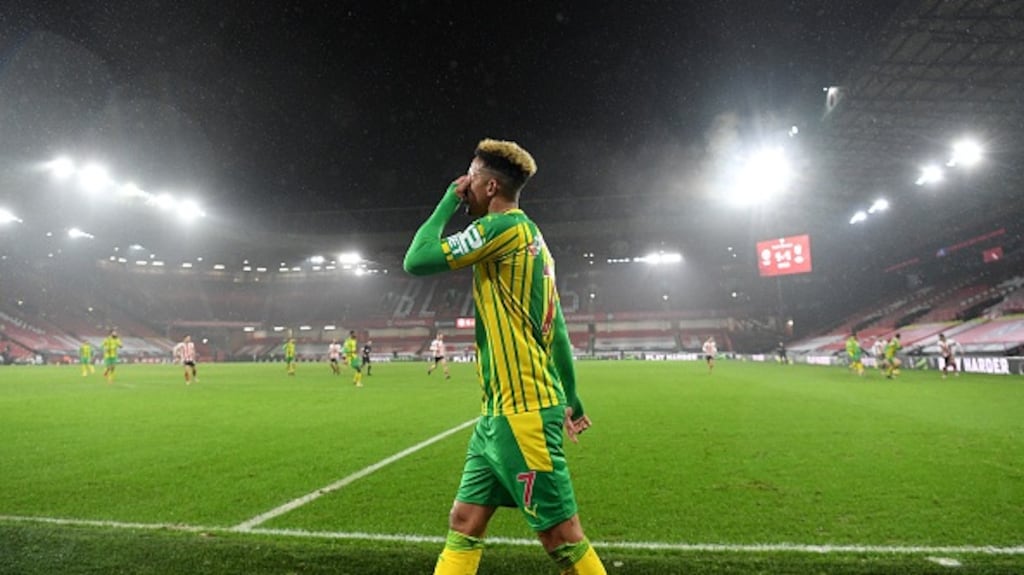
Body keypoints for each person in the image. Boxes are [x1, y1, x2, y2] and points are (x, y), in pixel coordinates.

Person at [403, 139, 606, 575]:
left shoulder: (499, 229)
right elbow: (557, 326)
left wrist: (446, 202)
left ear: (491, 186)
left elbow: (416, 260)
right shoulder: (535, 240)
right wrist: (572, 395)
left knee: (562, 537)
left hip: (523, 411)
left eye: (471, 178)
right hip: (498, 415)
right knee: (465, 521)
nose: (465, 186)